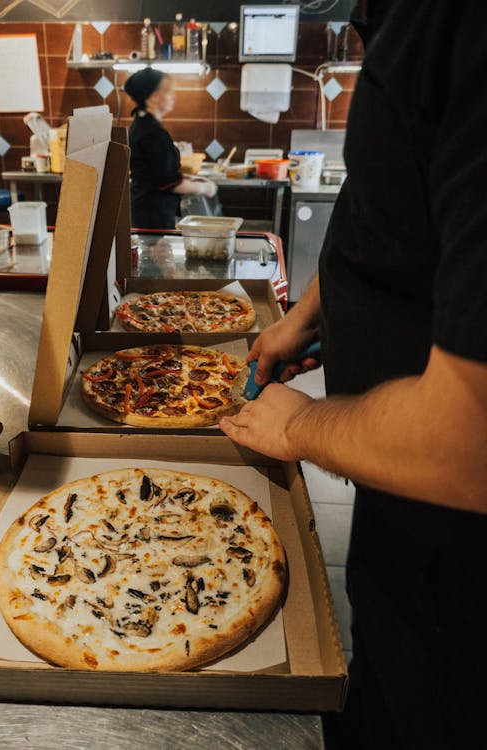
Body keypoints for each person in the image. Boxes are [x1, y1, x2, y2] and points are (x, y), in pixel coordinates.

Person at [220, 1, 487, 748]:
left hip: (461, 567)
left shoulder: (465, 26)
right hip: (404, 518)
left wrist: (298, 424)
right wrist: (318, 307)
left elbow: (471, 438)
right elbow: (394, 201)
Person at [124, 68, 217, 230]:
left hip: (145, 209)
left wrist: (190, 179)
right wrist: (205, 188)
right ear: (154, 97)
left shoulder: (141, 124)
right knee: (155, 255)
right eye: (169, 92)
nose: (173, 97)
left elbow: (158, 172)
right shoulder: (153, 133)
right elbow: (170, 183)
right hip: (153, 215)